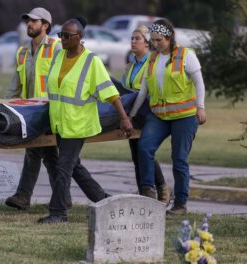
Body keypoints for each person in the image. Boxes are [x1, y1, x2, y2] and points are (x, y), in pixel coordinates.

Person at [37, 17, 134, 224]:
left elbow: (110, 93)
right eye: (60, 35)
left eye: (67, 36)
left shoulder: (92, 61)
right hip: (60, 123)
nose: (62, 39)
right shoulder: (58, 57)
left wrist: (124, 118)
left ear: (80, 37)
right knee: (75, 167)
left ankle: (58, 213)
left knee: (63, 167)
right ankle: (103, 200)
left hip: (78, 125)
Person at [129, 19, 207, 215]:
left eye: (159, 40)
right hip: (159, 116)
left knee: (179, 159)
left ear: (169, 36)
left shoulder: (186, 55)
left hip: (184, 116)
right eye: (153, 40)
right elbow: (143, 91)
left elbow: (199, 83)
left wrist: (201, 107)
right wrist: (130, 115)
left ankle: (180, 204)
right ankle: (148, 192)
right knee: (144, 146)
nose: (156, 43)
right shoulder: (153, 59)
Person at [5, 7, 73, 210]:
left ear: (45, 26)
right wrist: (6, 104)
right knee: (45, 153)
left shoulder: (57, 48)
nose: (29, 24)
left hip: (50, 110)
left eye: (34, 21)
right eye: (28, 20)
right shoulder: (23, 51)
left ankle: (25, 195)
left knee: (39, 151)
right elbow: (15, 83)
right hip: (31, 111)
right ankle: (59, 197)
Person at [121, 25, 170, 204]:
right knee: (136, 154)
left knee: (144, 151)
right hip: (133, 113)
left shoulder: (153, 62)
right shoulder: (130, 65)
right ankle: (144, 189)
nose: (133, 42)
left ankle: (161, 189)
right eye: (132, 38)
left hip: (148, 112)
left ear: (147, 43)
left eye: (137, 39)